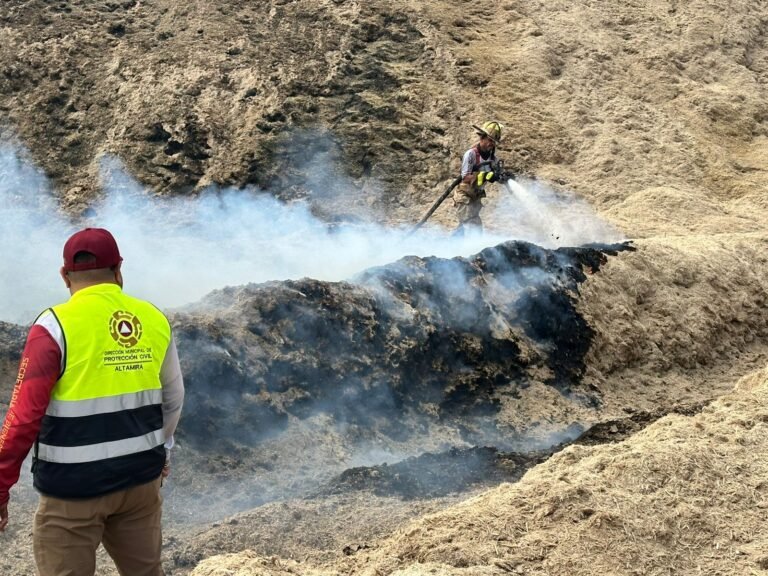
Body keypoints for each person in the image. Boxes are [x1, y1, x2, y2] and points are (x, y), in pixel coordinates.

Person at [0, 227, 184, 576]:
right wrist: (161, 450)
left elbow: (23, 417)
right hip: (140, 485)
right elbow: (173, 398)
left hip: (73, 494)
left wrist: (0, 485)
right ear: (119, 271)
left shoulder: (53, 326)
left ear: (64, 276)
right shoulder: (154, 318)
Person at [453, 120, 504, 234]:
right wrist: (484, 176)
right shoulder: (471, 154)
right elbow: (465, 177)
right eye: (490, 140)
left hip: (476, 198)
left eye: (494, 142)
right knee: (471, 227)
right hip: (465, 196)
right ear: (482, 138)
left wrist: (504, 177)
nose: (492, 144)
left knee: (469, 228)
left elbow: (497, 176)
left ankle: (449, 246)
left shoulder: (493, 160)